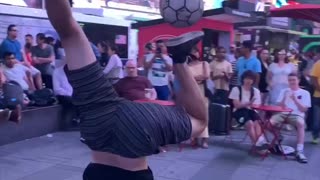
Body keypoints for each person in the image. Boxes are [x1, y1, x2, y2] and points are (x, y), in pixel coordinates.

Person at [45, 1, 207, 180]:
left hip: (121, 117)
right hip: (108, 119)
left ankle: (179, 58)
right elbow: (68, 32)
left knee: (199, 120)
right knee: (69, 33)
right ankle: (179, 58)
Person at [269, 73, 311, 163]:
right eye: (290, 80)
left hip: (296, 115)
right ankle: (278, 136)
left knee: (301, 123)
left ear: (298, 80)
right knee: (268, 124)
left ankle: (299, 150)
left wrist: (295, 99)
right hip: (283, 114)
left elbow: (304, 109)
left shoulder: (305, 93)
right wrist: (284, 98)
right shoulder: (284, 91)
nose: (291, 82)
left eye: (293, 80)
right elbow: (279, 106)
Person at [229, 70, 268, 153]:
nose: (248, 81)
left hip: (252, 110)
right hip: (239, 111)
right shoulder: (236, 89)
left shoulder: (255, 91)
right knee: (249, 123)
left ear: (253, 81)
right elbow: (236, 105)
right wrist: (248, 103)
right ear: (243, 79)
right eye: (246, 78)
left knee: (258, 123)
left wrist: (250, 105)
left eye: (250, 79)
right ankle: (257, 146)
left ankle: (260, 144)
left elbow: (257, 106)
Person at [188, 46, 210, 148]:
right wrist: (196, 79)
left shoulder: (204, 64)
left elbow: (206, 76)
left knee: (204, 115)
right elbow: (186, 79)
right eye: (192, 52)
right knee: (193, 115)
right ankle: (194, 138)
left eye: (195, 52)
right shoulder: (187, 66)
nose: (194, 54)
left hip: (202, 91)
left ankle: (205, 139)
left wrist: (194, 79)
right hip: (191, 92)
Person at [310, 60, 320, 144]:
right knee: (317, 119)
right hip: (318, 96)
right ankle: (315, 136)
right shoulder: (318, 64)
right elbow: (313, 78)